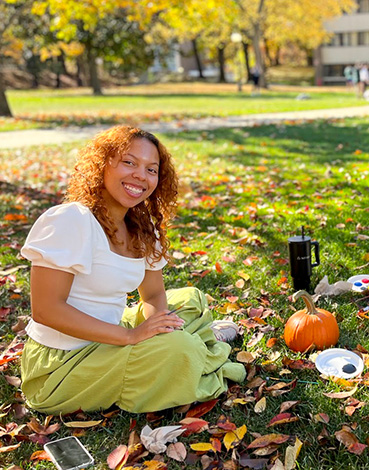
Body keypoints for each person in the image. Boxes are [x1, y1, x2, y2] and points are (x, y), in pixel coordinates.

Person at [19, 126, 246, 414]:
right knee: (180, 350)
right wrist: (132, 337)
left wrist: (158, 330)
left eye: (151, 169)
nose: (141, 175)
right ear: (102, 165)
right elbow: (47, 310)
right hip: (62, 364)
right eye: (129, 162)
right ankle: (194, 351)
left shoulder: (142, 227)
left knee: (190, 300)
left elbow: (152, 295)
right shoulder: (71, 220)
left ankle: (186, 350)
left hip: (112, 334)